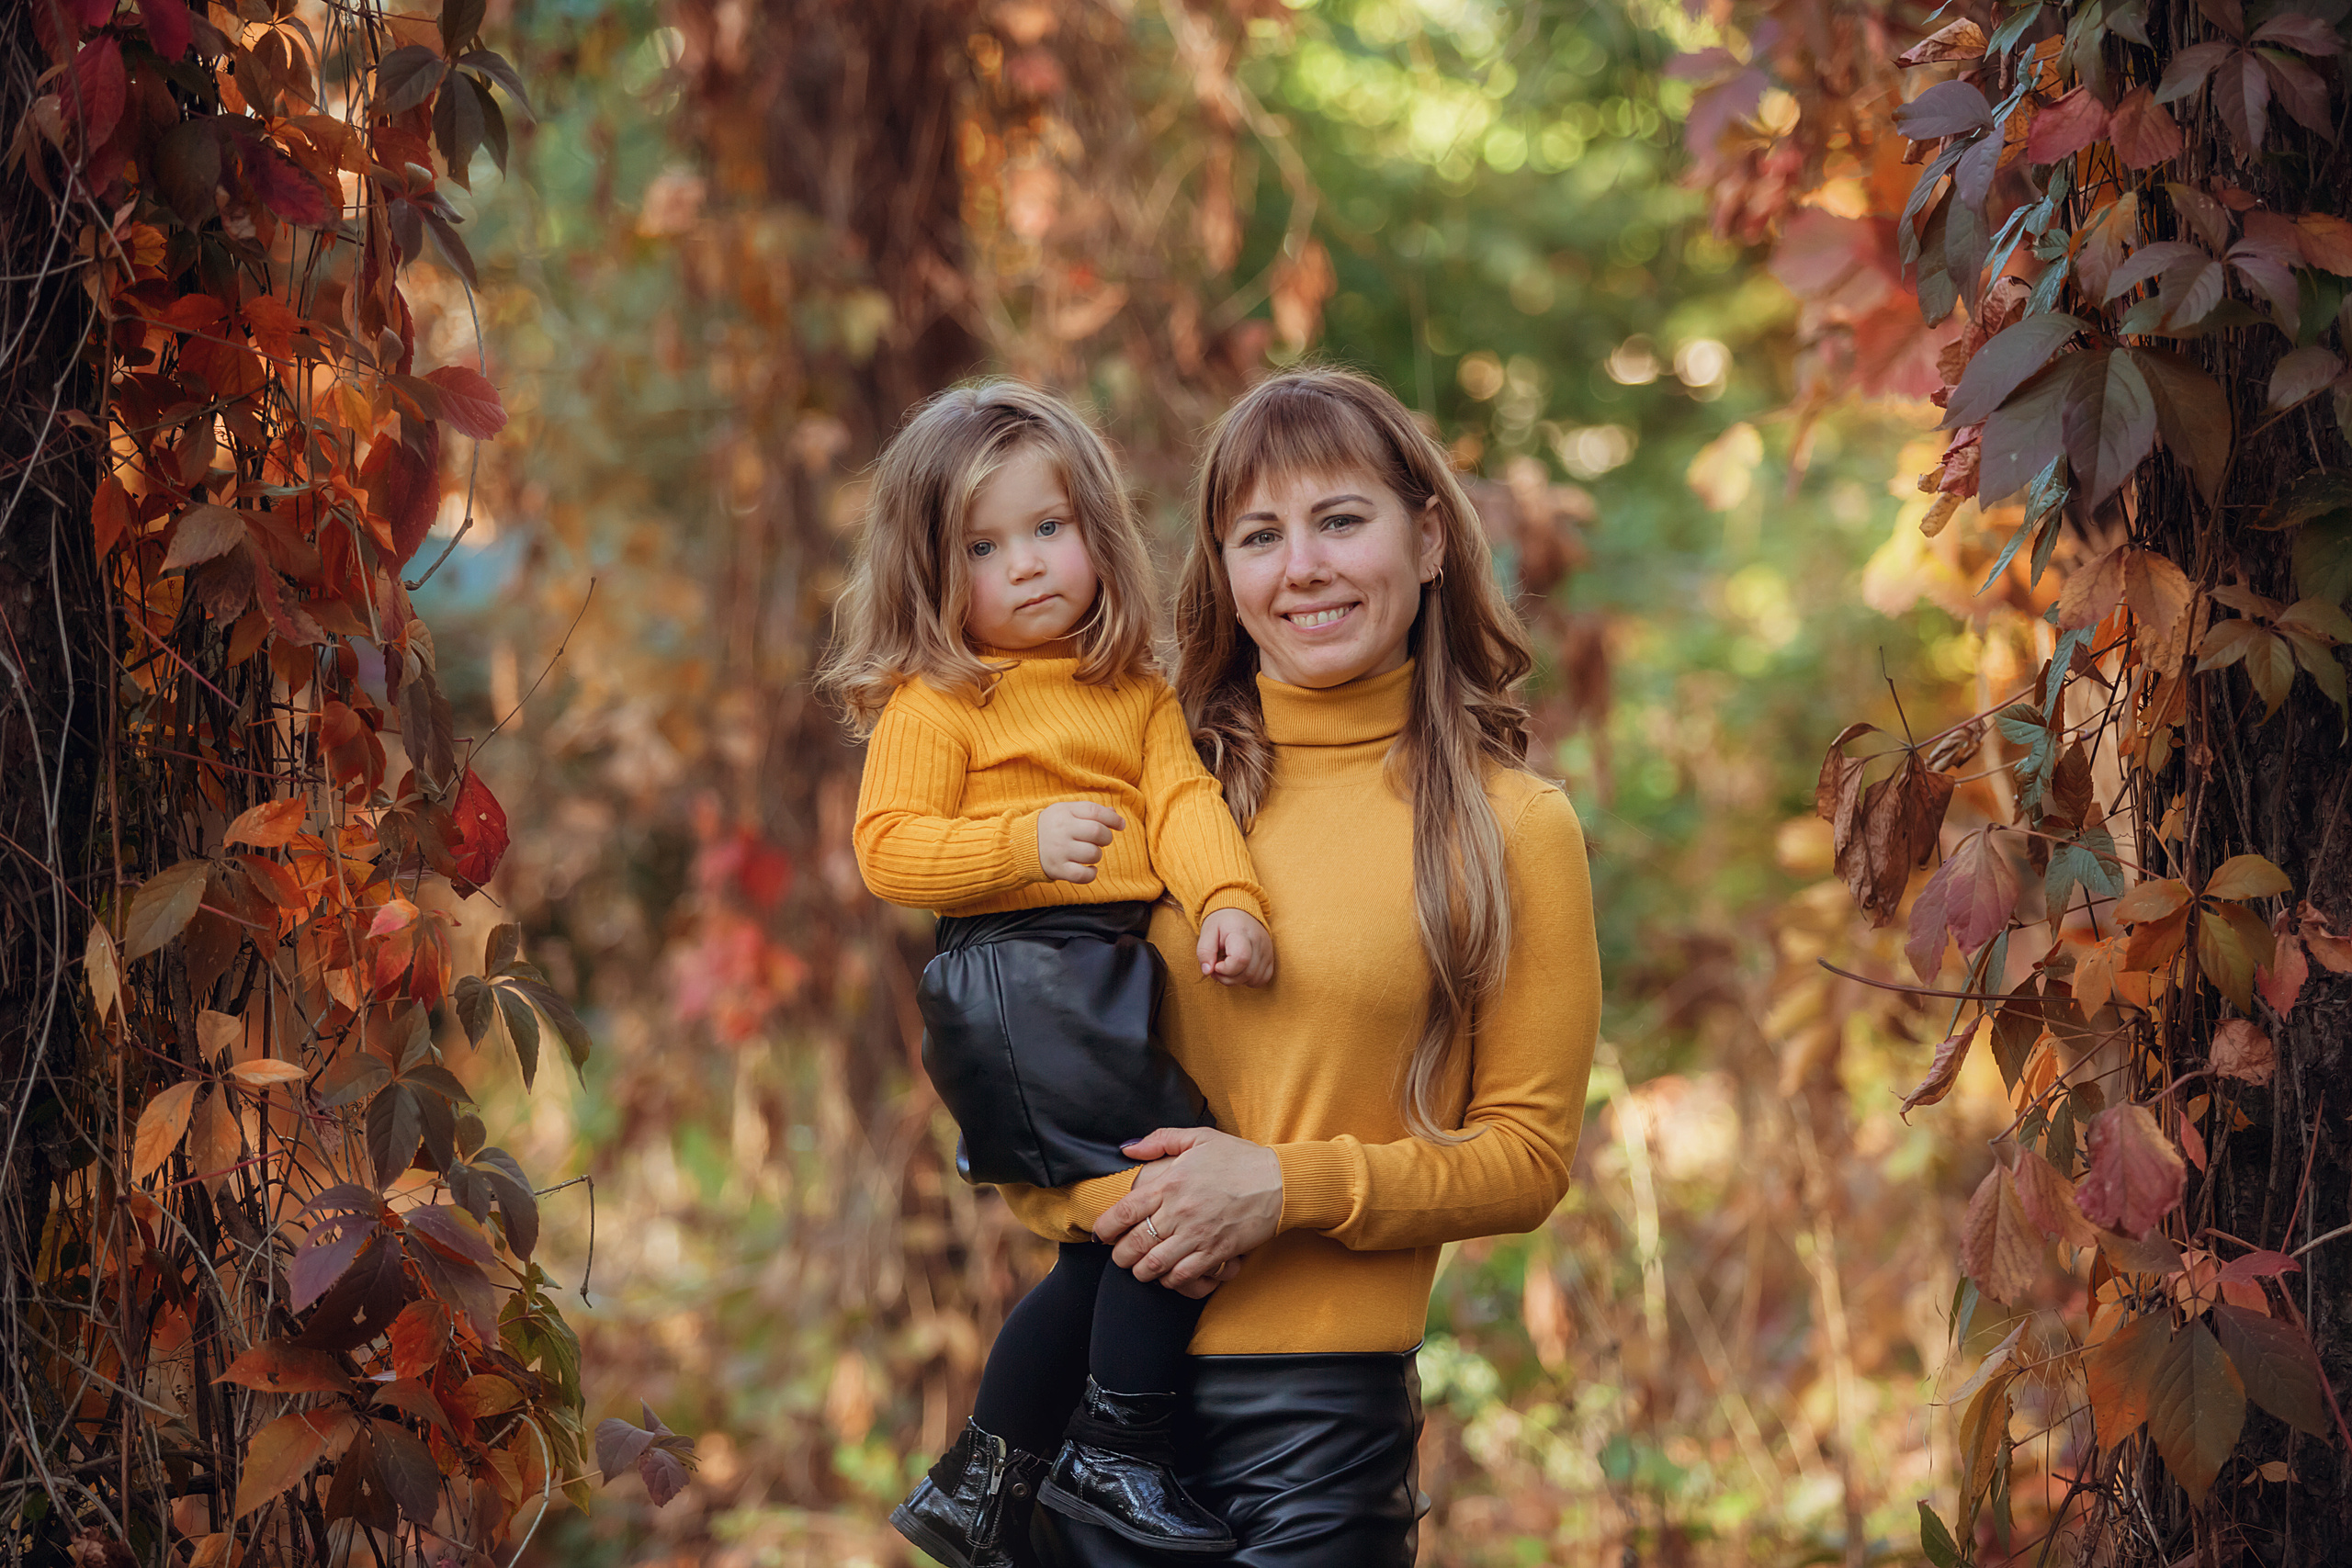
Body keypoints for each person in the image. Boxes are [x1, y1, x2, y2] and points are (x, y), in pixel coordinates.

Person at [996, 367, 1602, 1566]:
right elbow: (1014, 1103)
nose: (1302, 569)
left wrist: (1280, 1190)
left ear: (1428, 537)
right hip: (1089, 1409)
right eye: (1259, 536)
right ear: (1224, 571)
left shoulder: (1512, 827)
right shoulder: (1143, 803)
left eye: (1340, 520)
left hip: (1317, 1435)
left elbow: (1526, 1161)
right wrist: (1131, 1210)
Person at [820, 380, 1278, 1568]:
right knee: (1169, 1197)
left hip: (1099, 985)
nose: (1027, 566)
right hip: (1016, 982)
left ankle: (981, 1484)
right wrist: (1019, 848)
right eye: (984, 546)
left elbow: (1181, 801)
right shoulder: (943, 701)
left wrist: (1226, 898)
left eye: (1050, 528)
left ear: (1097, 532)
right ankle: (1114, 1456)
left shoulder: (1128, 690)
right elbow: (888, 851)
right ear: (931, 570)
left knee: (1108, 1242)